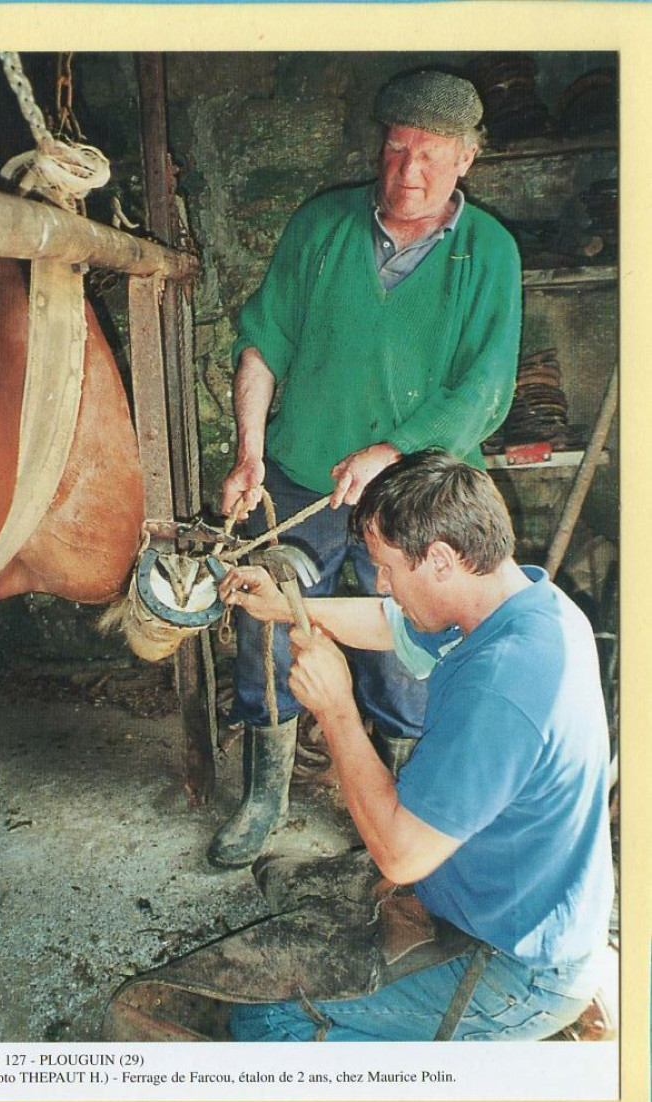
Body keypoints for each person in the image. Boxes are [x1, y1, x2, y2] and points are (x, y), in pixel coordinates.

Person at [210, 69, 523, 868]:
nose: (408, 170)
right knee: (267, 612)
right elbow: (263, 342)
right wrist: (249, 449)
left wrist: (397, 449)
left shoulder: (490, 253)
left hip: (419, 492)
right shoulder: (320, 226)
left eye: (430, 155)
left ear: (466, 160)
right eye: (396, 148)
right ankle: (267, 792)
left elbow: (486, 389)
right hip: (303, 474)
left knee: (411, 640)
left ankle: (403, 797)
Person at [218, 450, 614, 1041]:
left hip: (521, 966)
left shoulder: (504, 684)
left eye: (386, 567)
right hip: (512, 899)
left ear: (441, 560)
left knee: (264, 1023)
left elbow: (399, 856)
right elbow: (390, 621)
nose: (381, 582)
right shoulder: (525, 605)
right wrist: (284, 605)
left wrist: (337, 709)